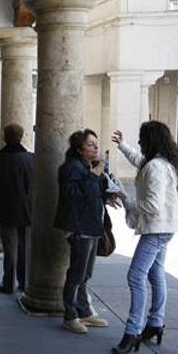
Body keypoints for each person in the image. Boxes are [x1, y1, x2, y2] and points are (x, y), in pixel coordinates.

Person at [110, 122, 178, 354]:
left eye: (142, 139)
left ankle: (132, 331)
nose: (140, 143)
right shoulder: (164, 164)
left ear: (150, 140)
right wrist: (122, 145)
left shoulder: (155, 167)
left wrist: (126, 200)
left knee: (135, 276)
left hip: (156, 229)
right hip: (165, 227)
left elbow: (152, 205)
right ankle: (155, 323)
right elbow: (138, 161)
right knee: (155, 273)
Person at [53, 129, 116, 334]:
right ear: (79, 148)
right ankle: (70, 316)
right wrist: (93, 176)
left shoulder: (88, 167)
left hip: (91, 226)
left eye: (96, 144)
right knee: (77, 272)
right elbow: (72, 198)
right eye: (90, 144)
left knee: (86, 273)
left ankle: (84, 311)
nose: (96, 147)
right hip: (80, 228)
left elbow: (92, 195)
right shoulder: (72, 168)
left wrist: (108, 195)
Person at [0, 123, 35, 295]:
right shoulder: (31, 159)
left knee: (9, 247)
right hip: (26, 208)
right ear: (22, 137)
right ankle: (24, 283)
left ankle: (8, 282)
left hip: (4, 209)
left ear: (4, 137)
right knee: (24, 247)